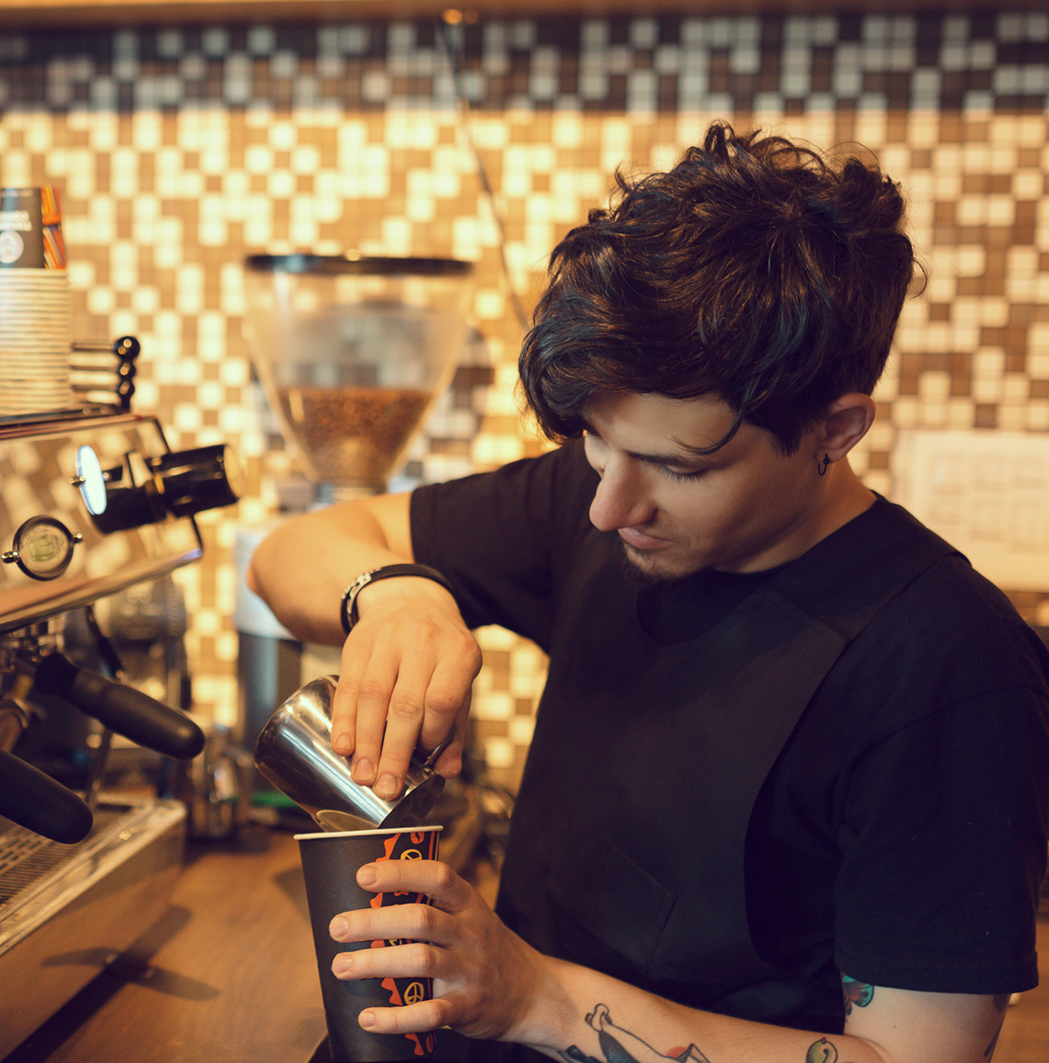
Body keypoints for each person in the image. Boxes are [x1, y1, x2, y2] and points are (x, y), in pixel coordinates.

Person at [248, 122, 1049, 1063]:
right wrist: (394, 592)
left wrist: (541, 999)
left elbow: (916, 1059)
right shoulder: (603, 497)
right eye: (595, 438)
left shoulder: (948, 666)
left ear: (835, 428)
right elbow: (290, 551)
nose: (609, 506)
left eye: (677, 465)